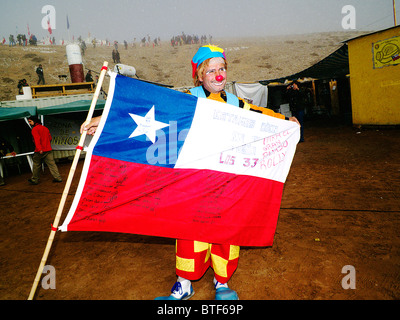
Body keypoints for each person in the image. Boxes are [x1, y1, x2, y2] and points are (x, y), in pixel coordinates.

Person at [81, 45, 299, 300]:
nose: (219, 75)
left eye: (222, 69)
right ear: (199, 75)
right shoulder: (186, 99)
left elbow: (262, 116)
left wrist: (287, 121)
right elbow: (149, 109)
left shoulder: (236, 103)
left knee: (226, 229)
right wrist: (104, 120)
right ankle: (184, 284)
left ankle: (222, 283)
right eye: (211, 70)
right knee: (187, 230)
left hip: (226, 183)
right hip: (193, 182)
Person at [27, 116, 62, 185]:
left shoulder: (34, 129)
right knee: (52, 164)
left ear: (34, 121)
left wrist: (40, 149)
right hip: (48, 149)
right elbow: (50, 138)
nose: (29, 123)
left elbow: (37, 140)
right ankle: (58, 178)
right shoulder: (45, 128)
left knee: (36, 165)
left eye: (30, 121)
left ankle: (35, 179)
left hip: (39, 151)